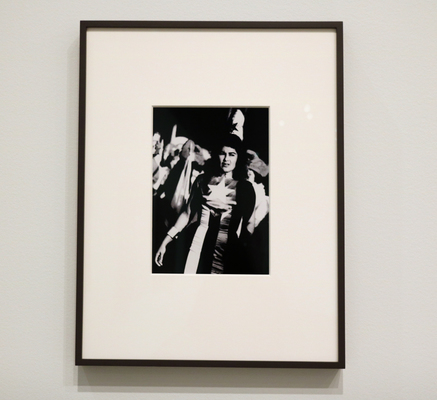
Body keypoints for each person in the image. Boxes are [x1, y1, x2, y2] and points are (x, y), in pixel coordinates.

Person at [154, 134, 256, 274]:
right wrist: (166, 240)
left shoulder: (246, 188)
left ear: (238, 157)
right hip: (195, 246)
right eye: (222, 154)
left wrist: (242, 251)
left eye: (231, 154)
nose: (226, 159)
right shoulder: (202, 180)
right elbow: (186, 213)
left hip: (226, 254)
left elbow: (249, 223)